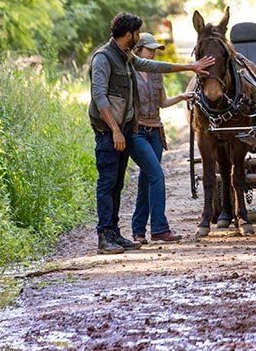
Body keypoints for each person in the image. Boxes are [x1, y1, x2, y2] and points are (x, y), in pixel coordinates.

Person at [89, 13, 213, 255]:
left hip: (123, 130)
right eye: (136, 33)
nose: (137, 37)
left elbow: (152, 66)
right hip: (109, 132)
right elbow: (99, 95)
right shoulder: (103, 58)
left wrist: (189, 67)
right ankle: (104, 236)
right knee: (106, 183)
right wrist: (115, 129)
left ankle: (114, 234)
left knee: (116, 184)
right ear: (129, 35)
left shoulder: (125, 56)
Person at [131, 32, 194, 244]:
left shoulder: (156, 74)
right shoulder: (128, 72)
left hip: (155, 131)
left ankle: (138, 230)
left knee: (146, 179)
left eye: (155, 50)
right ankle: (159, 228)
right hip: (137, 132)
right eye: (150, 50)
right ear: (138, 50)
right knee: (156, 175)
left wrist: (181, 97)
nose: (154, 54)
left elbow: (163, 102)